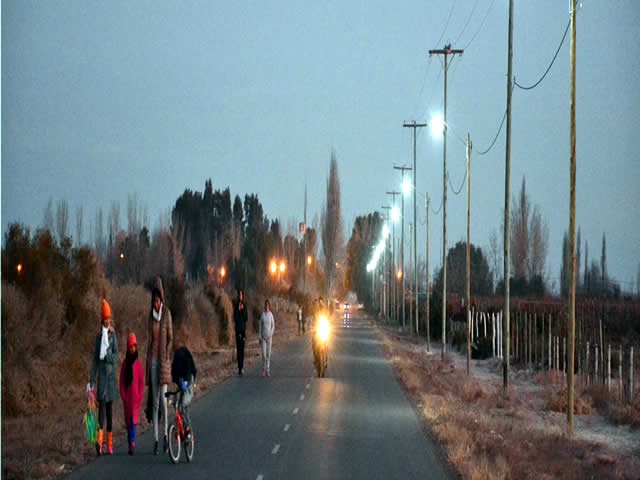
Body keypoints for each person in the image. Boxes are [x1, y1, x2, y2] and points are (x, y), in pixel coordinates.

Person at [145, 277, 173, 455]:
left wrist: (167, 353)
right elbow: (149, 339)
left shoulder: (166, 315)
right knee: (154, 402)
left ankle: (164, 435)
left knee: (163, 401)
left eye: (158, 300)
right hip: (153, 362)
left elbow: (171, 337)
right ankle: (155, 439)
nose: (156, 303)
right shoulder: (150, 317)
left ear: (161, 300)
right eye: (154, 301)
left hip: (163, 361)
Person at [87, 299, 118, 456]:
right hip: (101, 380)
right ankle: (99, 442)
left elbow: (117, 356)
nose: (107, 321)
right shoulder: (99, 337)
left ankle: (110, 443)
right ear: (102, 320)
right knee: (101, 413)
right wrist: (90, 381)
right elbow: (94, 361)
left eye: (109, 318)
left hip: (111, 379)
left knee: (110, 413)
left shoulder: (113, 335)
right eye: (105, 319)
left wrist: (108, 355)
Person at [119, 332, 144, 455]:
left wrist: (139, 395)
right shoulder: (125, 364)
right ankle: (130, 442)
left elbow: (141, 381)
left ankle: (133, 443)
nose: (132, 348)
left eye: (134, 346)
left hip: (135, 399)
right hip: (127, 398)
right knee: (128, 422)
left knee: (133, 422)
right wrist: (123, 395)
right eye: (130, 347)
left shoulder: (138, 363)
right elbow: (122, 381)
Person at [171, 346, 197, 436]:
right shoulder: (176, 362)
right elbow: (174, 375)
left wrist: (185, 382)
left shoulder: (186, 361)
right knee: (175, 403)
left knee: (183, 405)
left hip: (188, 381)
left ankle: (187, 430)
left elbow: (189, 372)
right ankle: (179, 426)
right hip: (181, 381)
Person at [233, 289, 248, 376]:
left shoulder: (245, 306)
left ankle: (242, 367)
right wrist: (238, 310)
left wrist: (242, 310)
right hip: (237, 330)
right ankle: (239, 367)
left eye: (241, 295)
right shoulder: (235, 306)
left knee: (242, 349)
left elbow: (246, 318)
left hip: (243, 331)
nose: (240, 297)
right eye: (239, 295)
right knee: (238, 349)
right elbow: (235, 318)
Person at [259, 299, 275, 377]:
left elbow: (273, 326)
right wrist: (259, 336)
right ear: (264, 306)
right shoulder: (262, 314)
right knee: (264, 354)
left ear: (269, 306)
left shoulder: (271, 315)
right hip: (263, 337)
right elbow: (260, 326)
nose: (266, 306)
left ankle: (267, 370)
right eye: (265, 305)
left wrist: (270, 335)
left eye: (268, 305)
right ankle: (263, 369)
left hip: (269, 338)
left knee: (268, 354)